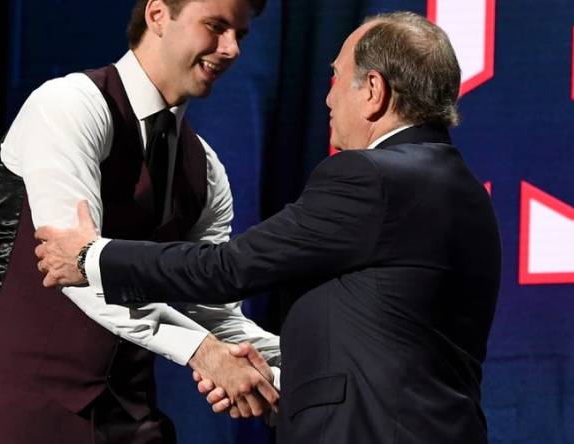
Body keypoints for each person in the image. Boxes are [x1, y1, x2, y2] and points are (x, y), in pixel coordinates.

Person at [36, 11, 502, 444]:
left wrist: (90, 256)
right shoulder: (466, 193)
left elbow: (227, 269)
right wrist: (279, 380)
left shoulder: (371, 176)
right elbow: (384, 339)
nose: (326, 97)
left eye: (335, 78)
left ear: (373, 90)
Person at [0, 1, 281, 443]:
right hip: (22, 410)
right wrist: (203, 353)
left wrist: (297, 368)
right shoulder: (69, 105)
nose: (231, 48)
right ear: (158, 14)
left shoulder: (206, 168)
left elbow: (210, 306)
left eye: (241, 34)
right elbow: (73, 270)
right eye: (215, 27)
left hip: (129, 418)